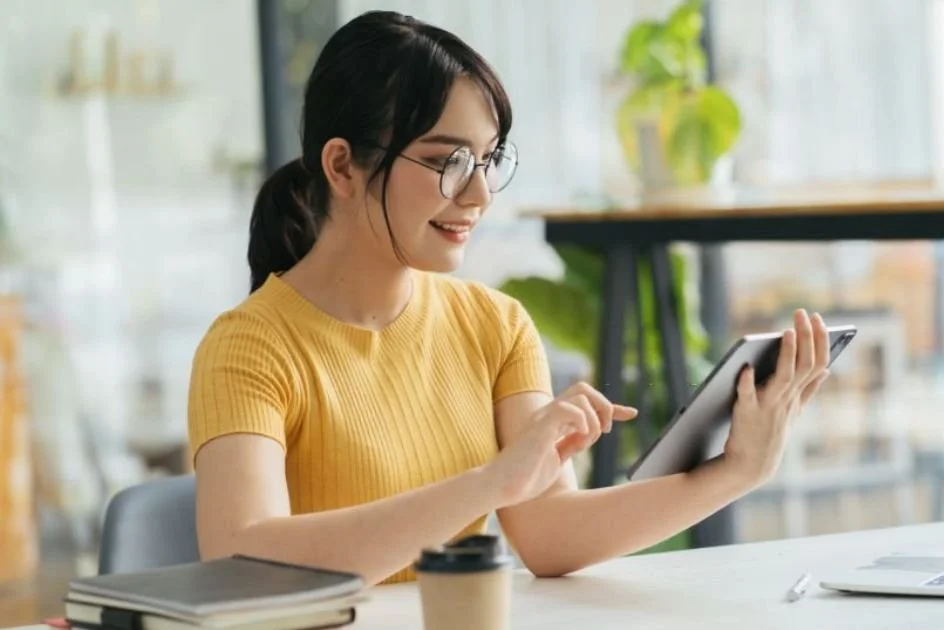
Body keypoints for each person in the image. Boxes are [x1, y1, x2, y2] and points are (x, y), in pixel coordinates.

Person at [188, 10, 830, 587]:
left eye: (489, 160)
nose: (479, 195)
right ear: (342, 166)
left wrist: (736, 470)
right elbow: (241, 559)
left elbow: (549, 533)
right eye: (450, 162)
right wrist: (493, 481)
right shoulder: (248, 346)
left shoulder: (495, 325)